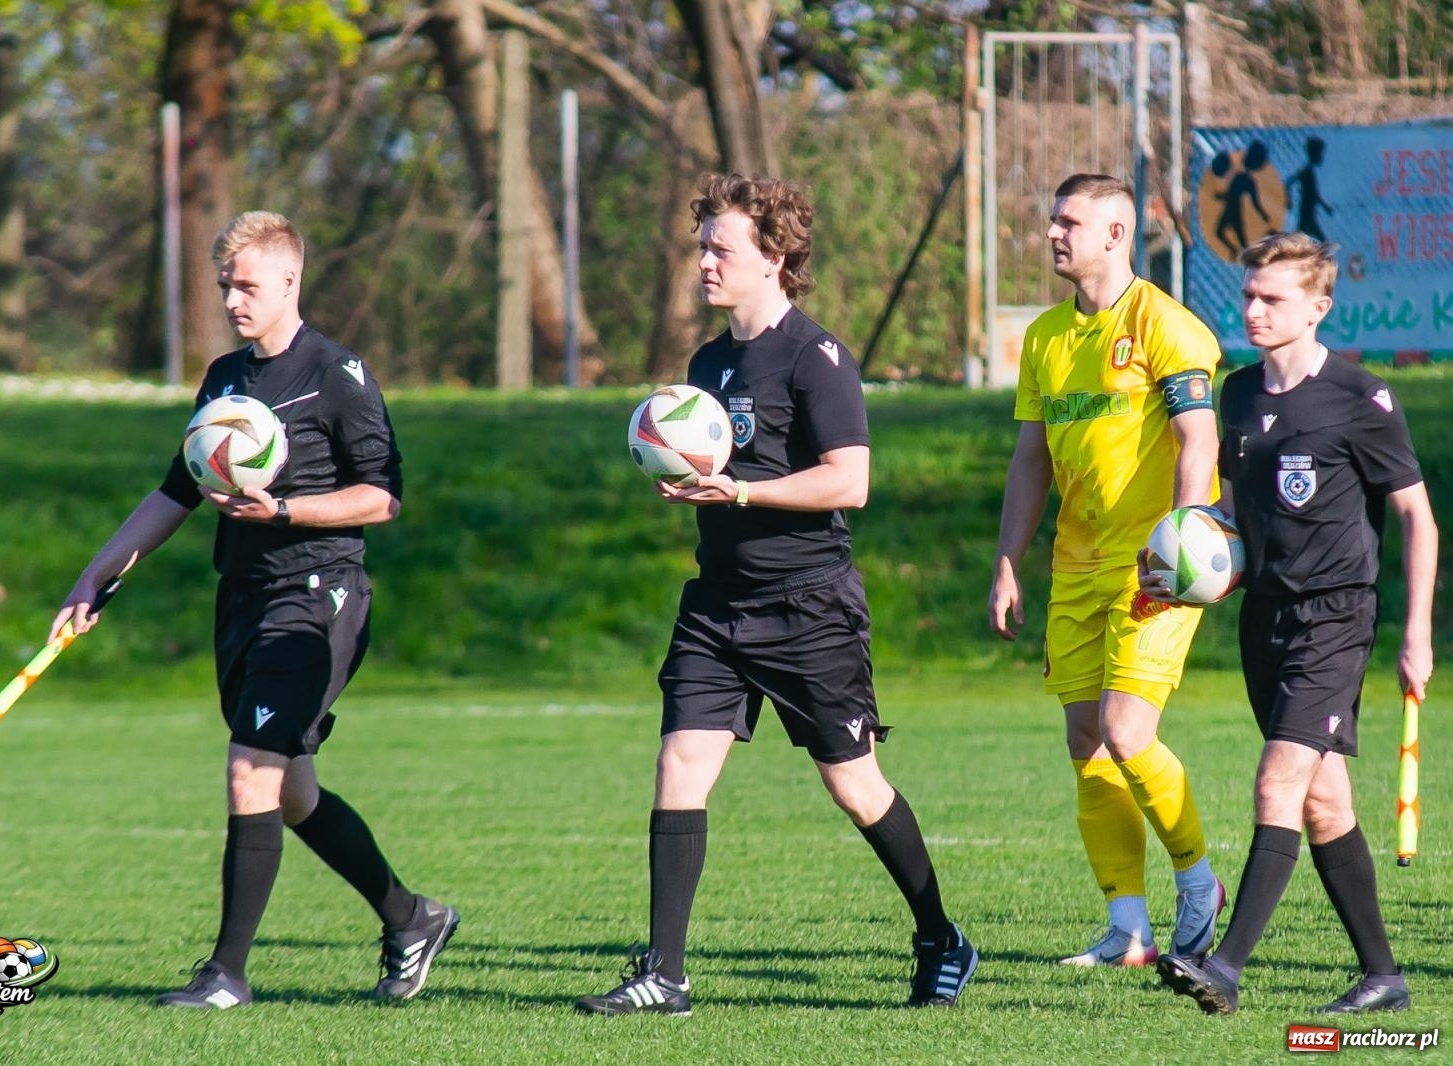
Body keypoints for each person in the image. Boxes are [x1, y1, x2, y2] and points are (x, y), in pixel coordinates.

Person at [575, 173, 976, 1016]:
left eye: (722, 248)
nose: (706, 263)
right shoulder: (708, 363)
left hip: (809, 604)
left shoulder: (816, 357)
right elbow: (714, 462)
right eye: (704, 247)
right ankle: (666, 974)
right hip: (718, 602)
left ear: (776, 256)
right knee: (679, 763)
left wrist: (745, 494)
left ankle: (940, 934)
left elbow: (851, 482)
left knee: (854, 784)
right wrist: (682, 478)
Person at [51, 211, 457, 1009]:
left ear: (289, 281)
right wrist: (94, 576)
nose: (234, 300)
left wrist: (286, 512)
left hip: (317, 599)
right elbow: (178, 492)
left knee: (250, 770)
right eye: (224, 286)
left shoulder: (338, 374)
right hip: (241, 598)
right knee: (290, 790)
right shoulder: (223, 379)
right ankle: (412, 917)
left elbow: (383, 498)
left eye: (247, 285)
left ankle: (227, 973)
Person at [1156, 232, 1436, 1015]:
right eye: (1248, 294)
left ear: (1318, 308)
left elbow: (1417, 517)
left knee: (1278, 780)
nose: (1253, 309)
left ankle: (1227, 967)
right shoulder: (1237, 395)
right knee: (1324, 803)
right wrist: (1186, 559)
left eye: (1272, 298)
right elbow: (1230, 517)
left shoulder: (1361, 398)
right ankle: (1384, 976)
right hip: (1265, 619)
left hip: (1337, 620)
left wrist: (1416, 632)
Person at [989, 173, 1225, 969]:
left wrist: (1183, 537)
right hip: (1074, 563)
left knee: (1128, 732)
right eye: (1051, 220)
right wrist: (1007, 561)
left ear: (1117, 234)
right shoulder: (1047, 337)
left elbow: (1199, 438)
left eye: (1069, 221)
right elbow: (1031, 459)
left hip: (1154, 565)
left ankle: (1198, 878)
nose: (1053, 233)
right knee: (1086, 743)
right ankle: (1128, 928)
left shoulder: (1167, 325)